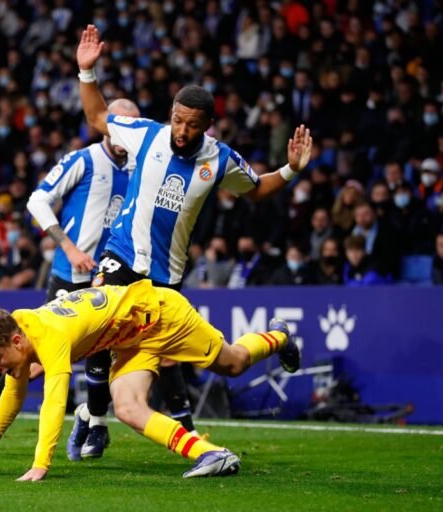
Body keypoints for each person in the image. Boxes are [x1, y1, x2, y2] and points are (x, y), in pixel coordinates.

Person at [74, 24, 311, 455]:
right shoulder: (146, 133)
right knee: (96, 320)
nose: (181, 131)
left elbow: (257, 188)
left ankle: (277, 339)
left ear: (208, 125)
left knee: (218, 362)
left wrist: (291, 170)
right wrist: (87, 73)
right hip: (122, 256)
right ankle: (94, 421)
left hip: (167, 277)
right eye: (178, 120)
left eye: (192, 125)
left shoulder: (219, 159)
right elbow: (96, 117)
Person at [0, 281, 300, 481]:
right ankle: (213, 455)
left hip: (163, 317)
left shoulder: (51, 336)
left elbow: (53, 402)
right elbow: (15, 385)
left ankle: (279, 337)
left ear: (16, 342)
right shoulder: (20, 326)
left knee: (234, 363)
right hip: (131, 340)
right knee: (127, 407)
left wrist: (40, 464)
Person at [0, 99, 142, 461]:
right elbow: (37, 201)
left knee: (102, 349)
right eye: (121, 123)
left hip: (110, 272)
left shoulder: (140, 166)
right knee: (30, 358)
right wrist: (70, 247)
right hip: (69, 271)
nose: (129, 132)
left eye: (135, 125)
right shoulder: (84, 160)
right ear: (105, 124)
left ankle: (97, 424)